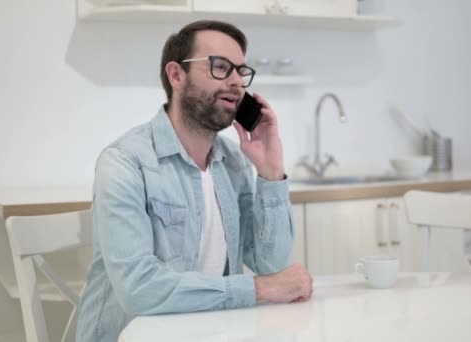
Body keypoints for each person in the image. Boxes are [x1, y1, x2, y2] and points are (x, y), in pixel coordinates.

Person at [76, 20, 313, 341]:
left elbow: (271, 264)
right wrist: (258, 288)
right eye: (220, 67)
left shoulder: (233, 161)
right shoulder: (124, 162)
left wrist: (271, 171)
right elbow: (139, 289)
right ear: (176, 75)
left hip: (210, 331)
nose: (235, 83)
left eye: (241, 72)